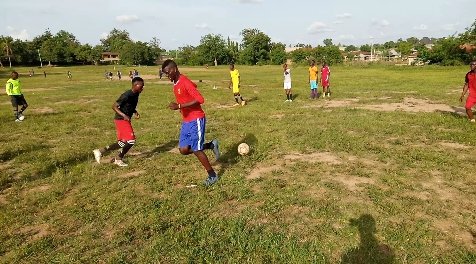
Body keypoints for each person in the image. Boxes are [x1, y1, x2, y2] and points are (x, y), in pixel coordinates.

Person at [161, 59, 221, 186]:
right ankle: (210, 145)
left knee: (196, 149)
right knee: (183, 150)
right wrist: (181, 109)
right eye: (165, 73)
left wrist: (179, 106)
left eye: (168, 73)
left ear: (174, 69)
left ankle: (212, 176)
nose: (167, 75)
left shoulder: (184, 81)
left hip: (196, 119)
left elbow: (200, 99)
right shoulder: (175, 83)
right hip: (187, 121)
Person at [93, 77, 144, 167]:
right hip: (121, 119)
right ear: (135, 85)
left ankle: (100, 151)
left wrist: (135, 111)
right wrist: (124, 116)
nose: (142, 88)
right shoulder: (126, 95)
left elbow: (129, 105)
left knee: (122, 142)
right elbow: (114, 106)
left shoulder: (136, 93)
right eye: (141, 86)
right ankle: (119, 158)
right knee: (131, 140)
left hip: (123, 119)